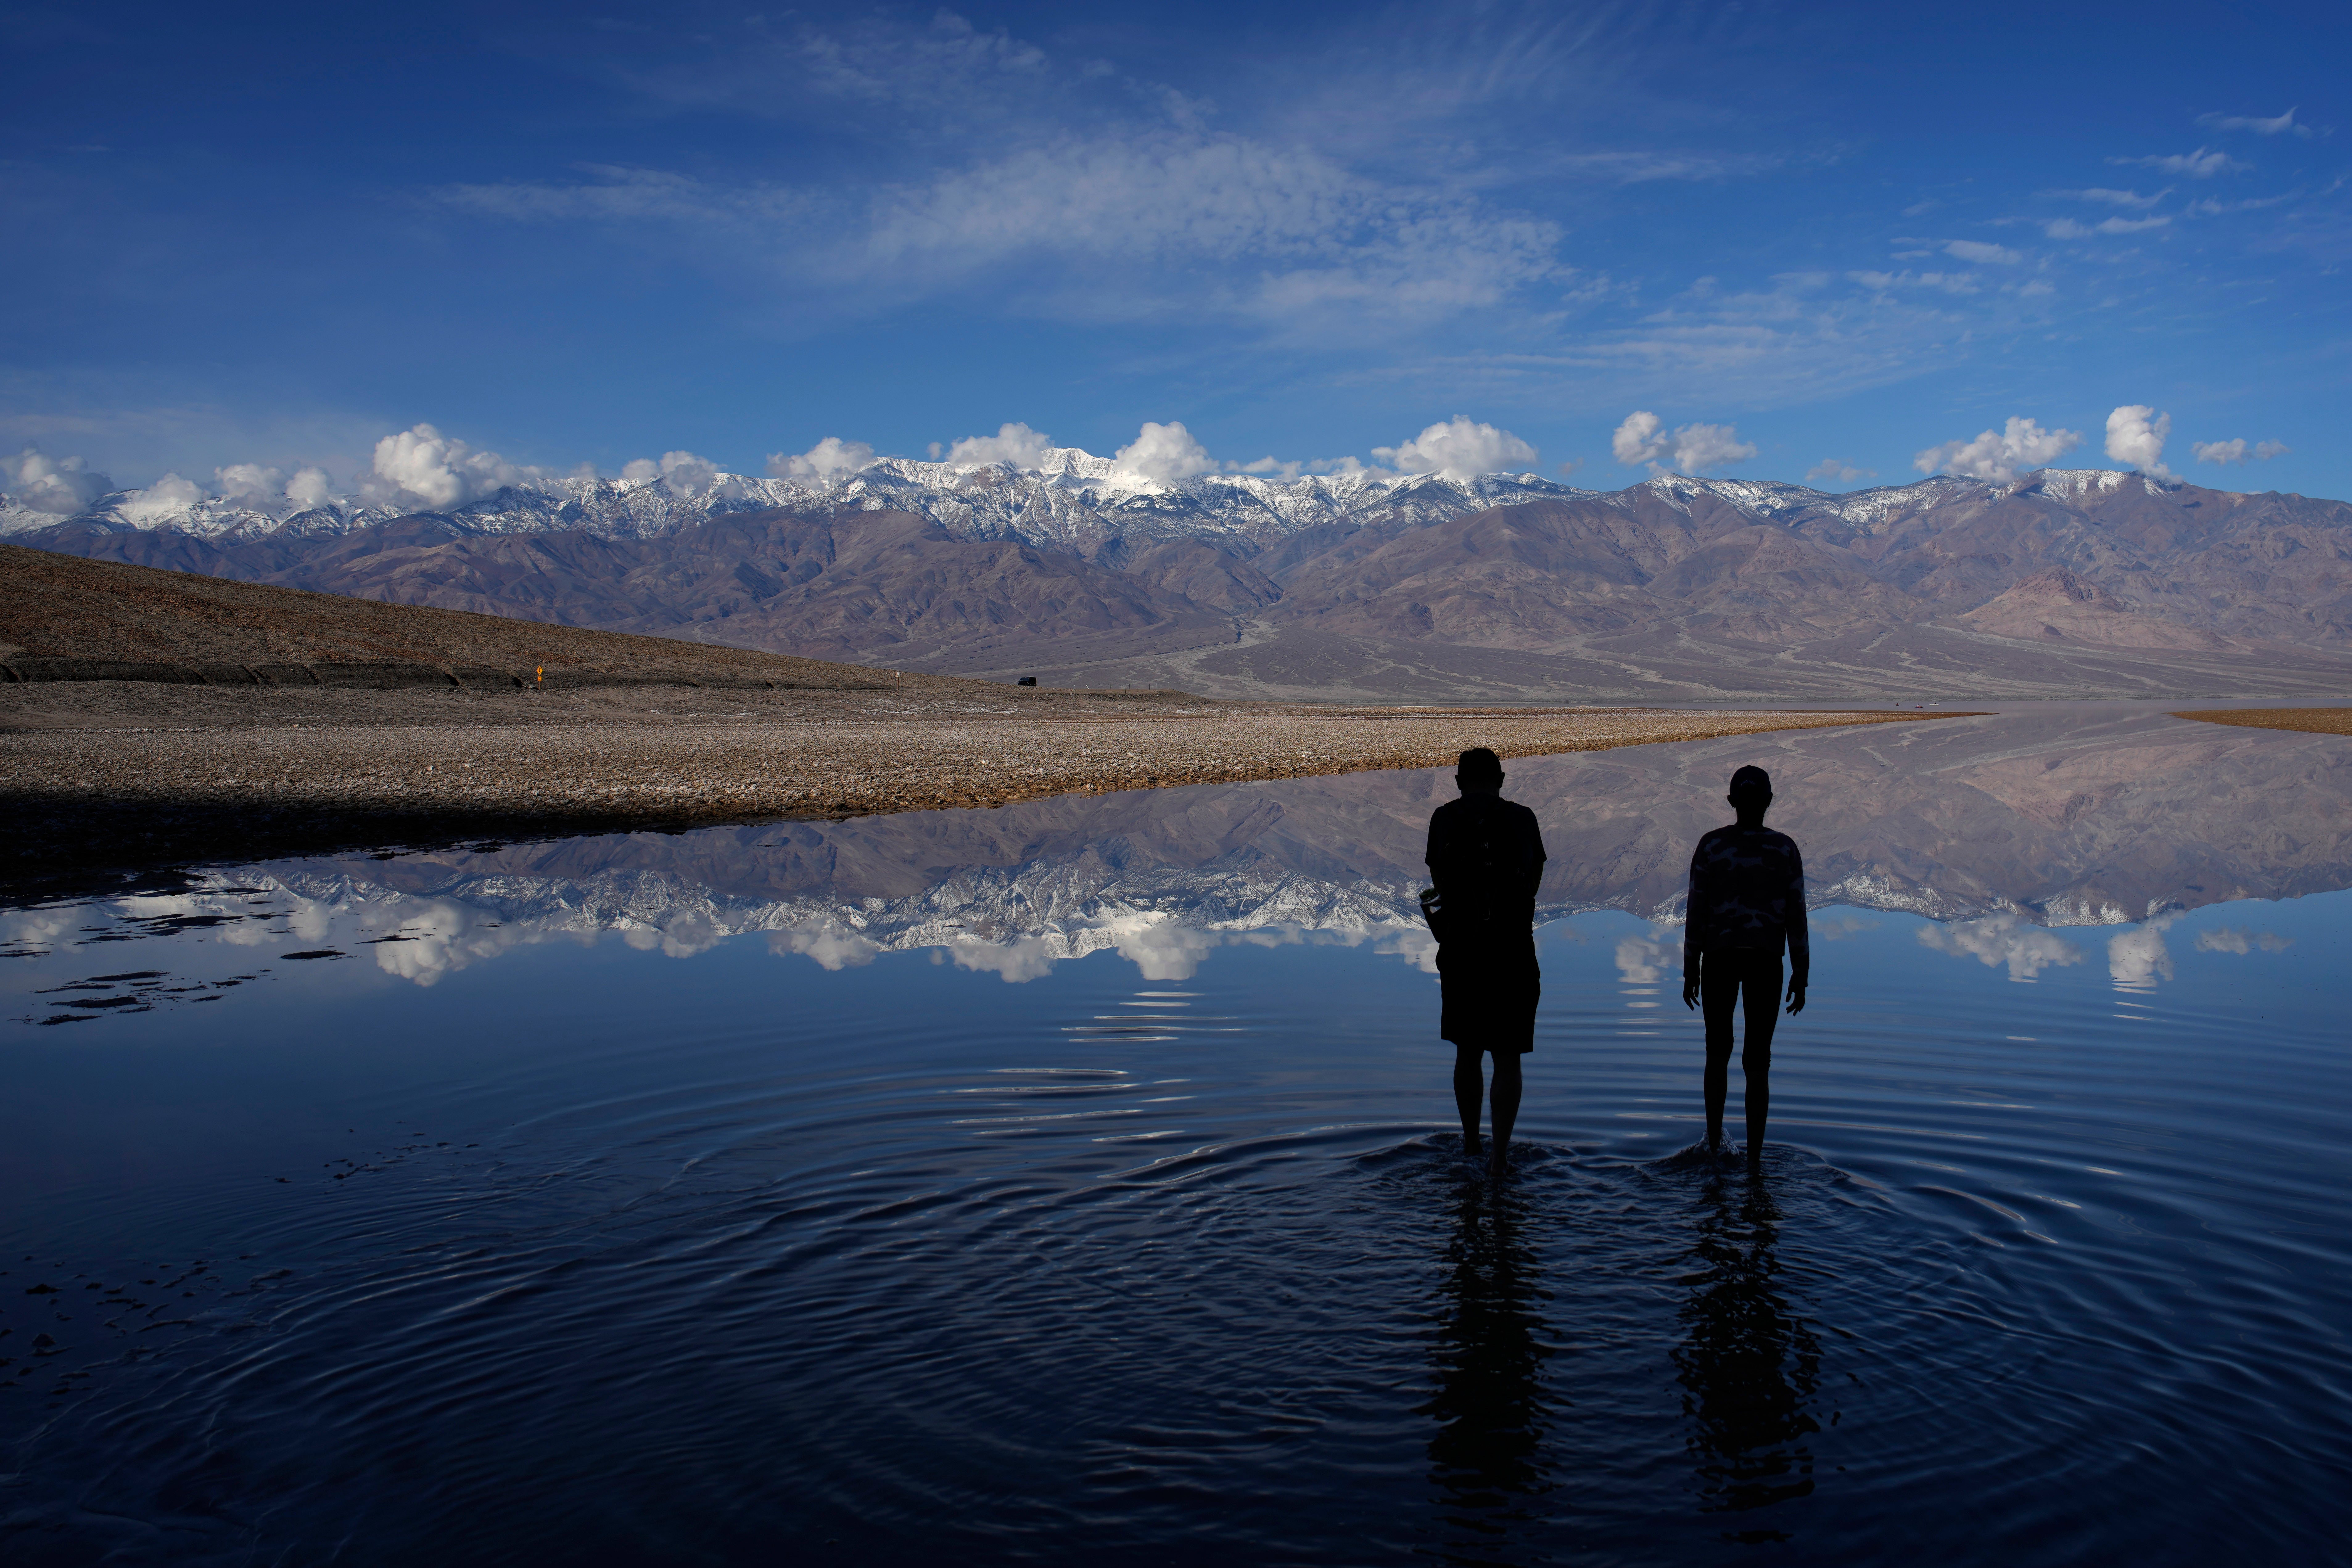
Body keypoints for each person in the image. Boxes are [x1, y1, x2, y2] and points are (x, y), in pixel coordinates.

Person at [1424, 747, 1547, 1179]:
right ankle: (1500, 1157)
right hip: (1513, 953)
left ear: (1459, 781)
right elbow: (1533, 883)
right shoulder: (1524, 818)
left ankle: (1472, 1142)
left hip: (1462, 954)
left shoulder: (1443, 819)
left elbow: (1439, 881)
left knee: (1468, 1050)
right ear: (1501, 779)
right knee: (1508, 1055)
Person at [1680, 765, 1808, 1169]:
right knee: (1758, 1061)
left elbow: (1696, 911)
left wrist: (1690, 967)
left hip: (1718, 960)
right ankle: (1754, 1160)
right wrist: (1801, 973)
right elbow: (1797, 919)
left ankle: (1714, 1144)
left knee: (1717, 1053)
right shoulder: (1785, 850)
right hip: (1766, 963)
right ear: (1769, 802)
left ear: (1732, 801)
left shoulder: (1712, 846)